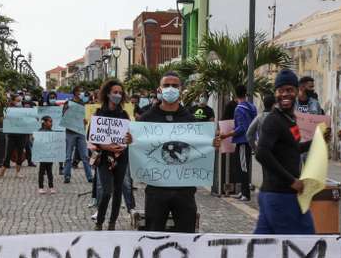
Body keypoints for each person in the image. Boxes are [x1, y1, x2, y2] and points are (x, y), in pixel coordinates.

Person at [254, 69, 341, 258]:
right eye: (281, 90)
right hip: (283, 198)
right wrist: (291, 180)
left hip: (274, 198)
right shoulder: (274, 120)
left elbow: (290, 149)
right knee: (309, 250)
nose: (286, 94)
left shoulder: (288, 120)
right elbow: (262, 153)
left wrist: (316, 141)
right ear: (276, 93)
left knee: (255, 254)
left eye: (290, 89)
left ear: (297, 92)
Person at [136, 72, 217, 232]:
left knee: (186, 238)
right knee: (153, 236)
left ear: (181, 90)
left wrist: (213, 143)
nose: (170, 89)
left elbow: (201, 147)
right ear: (159, 89)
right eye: (166, 85)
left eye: (174, 85)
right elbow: (139, 148)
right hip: (156, 191)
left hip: (185, 192)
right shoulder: (146, 119)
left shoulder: (191, 120)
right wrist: (130, 141)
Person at [93, 79, 131, 231]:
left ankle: (112, 223)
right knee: (107, 191)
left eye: (120, 93)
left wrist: (128, 140)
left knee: (118, 191)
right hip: (104, 158)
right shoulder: (98, 114)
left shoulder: (124, 114)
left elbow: (129, 135)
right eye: (115, 92)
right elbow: (92, 137)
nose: (118, 95)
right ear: (108, 94)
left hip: (121, 157)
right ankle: (99, 221)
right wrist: (105, 146)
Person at [225, 87, 257, 201]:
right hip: (249, 140)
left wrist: (228, 134)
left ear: (235, 95)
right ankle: (242, 191)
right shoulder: (252, 106)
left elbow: (242, 128)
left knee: (243, 167)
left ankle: (245, 194)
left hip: (242, 140)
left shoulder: (239, 109)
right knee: (242, 166)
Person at [62, 86, 93, 184]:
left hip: (80, 132)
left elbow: (87, 117)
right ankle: (67, 175)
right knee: (68, 155)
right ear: (75, 92)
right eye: (80, 92)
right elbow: (64, 116)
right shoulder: (68, 103)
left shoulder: (84, 104)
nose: (82, 93)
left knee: (85, 156)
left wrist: (85, 121)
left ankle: (89, 176)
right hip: (70, 132)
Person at [0, 95, 29, 178]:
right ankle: (2, 172)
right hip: (11, 135)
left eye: (20, 101)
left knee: (20, 153)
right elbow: (4, 120)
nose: (19, 102)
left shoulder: (24, 110)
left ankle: (18, 172)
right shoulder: (8, 110)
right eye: (17, 100)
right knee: (8, 153)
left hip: (22, 135)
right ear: (13, 101)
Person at [37, 116, 57, 194]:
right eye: (50, 121)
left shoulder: (52, 131)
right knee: (41, 171)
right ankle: (41, 187)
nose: (51, 123)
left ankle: (51, 187)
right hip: (42, 155)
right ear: (44, 123)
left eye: (51, 121)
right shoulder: (39, 131)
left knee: (49, 171)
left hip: (49, 154)